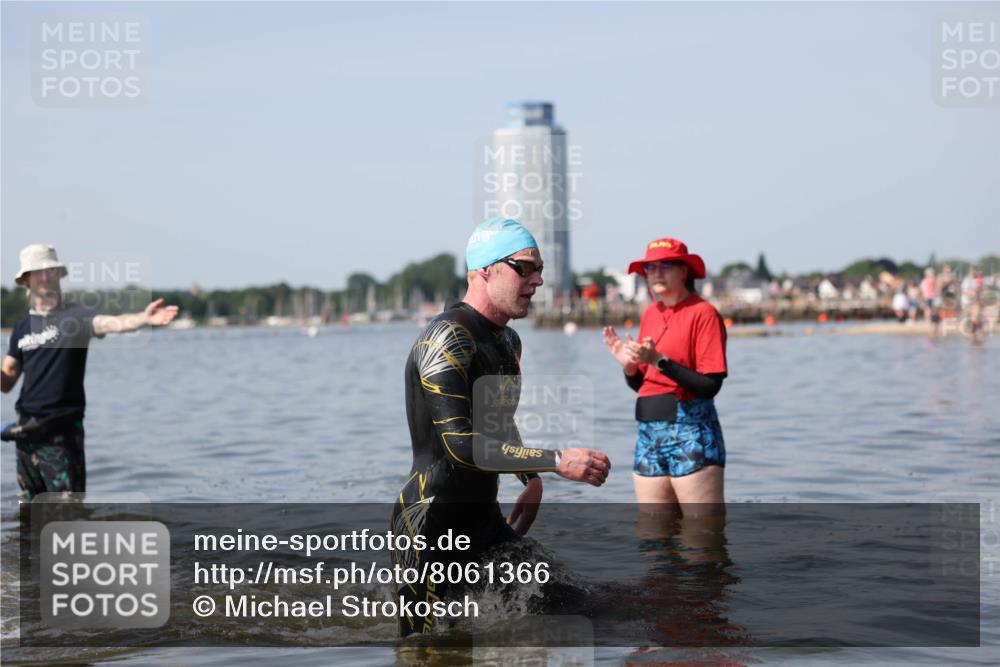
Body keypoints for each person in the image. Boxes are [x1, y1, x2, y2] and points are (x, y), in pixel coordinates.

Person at [392, 218, 611, 637]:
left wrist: (529, 477)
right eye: (525, 267)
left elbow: (496, 423)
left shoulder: (507, 342)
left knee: (576, 608)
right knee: (433, 650)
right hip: (430, 528)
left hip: (484, 521)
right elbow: (460, 445)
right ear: (484, 270)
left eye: (540, 269)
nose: (539, 280)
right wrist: (555, 462)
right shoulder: (446, 338)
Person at [1, 244, 179, 500]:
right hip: (25, 435)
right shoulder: (22, 327)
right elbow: (6, 381)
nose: (44, 276)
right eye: (37, 272)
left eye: (49, 270)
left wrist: (142, 318)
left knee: (69, 515)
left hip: (61, 433)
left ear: (58, 275)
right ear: (26, 279)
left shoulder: (75, 317)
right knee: (30, 515)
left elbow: (110, 323)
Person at [602, 238, 727, 517]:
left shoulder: (703, 313)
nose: (656, 273)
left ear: (685, 271)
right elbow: (642, 385)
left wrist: (658, 360)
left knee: (701, 535)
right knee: (652, 534)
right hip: (648, 433)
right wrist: (629, 366)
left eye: (665, 265)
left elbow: (710, 385)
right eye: (650, 268)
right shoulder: (650, 313)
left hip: (691, 430)